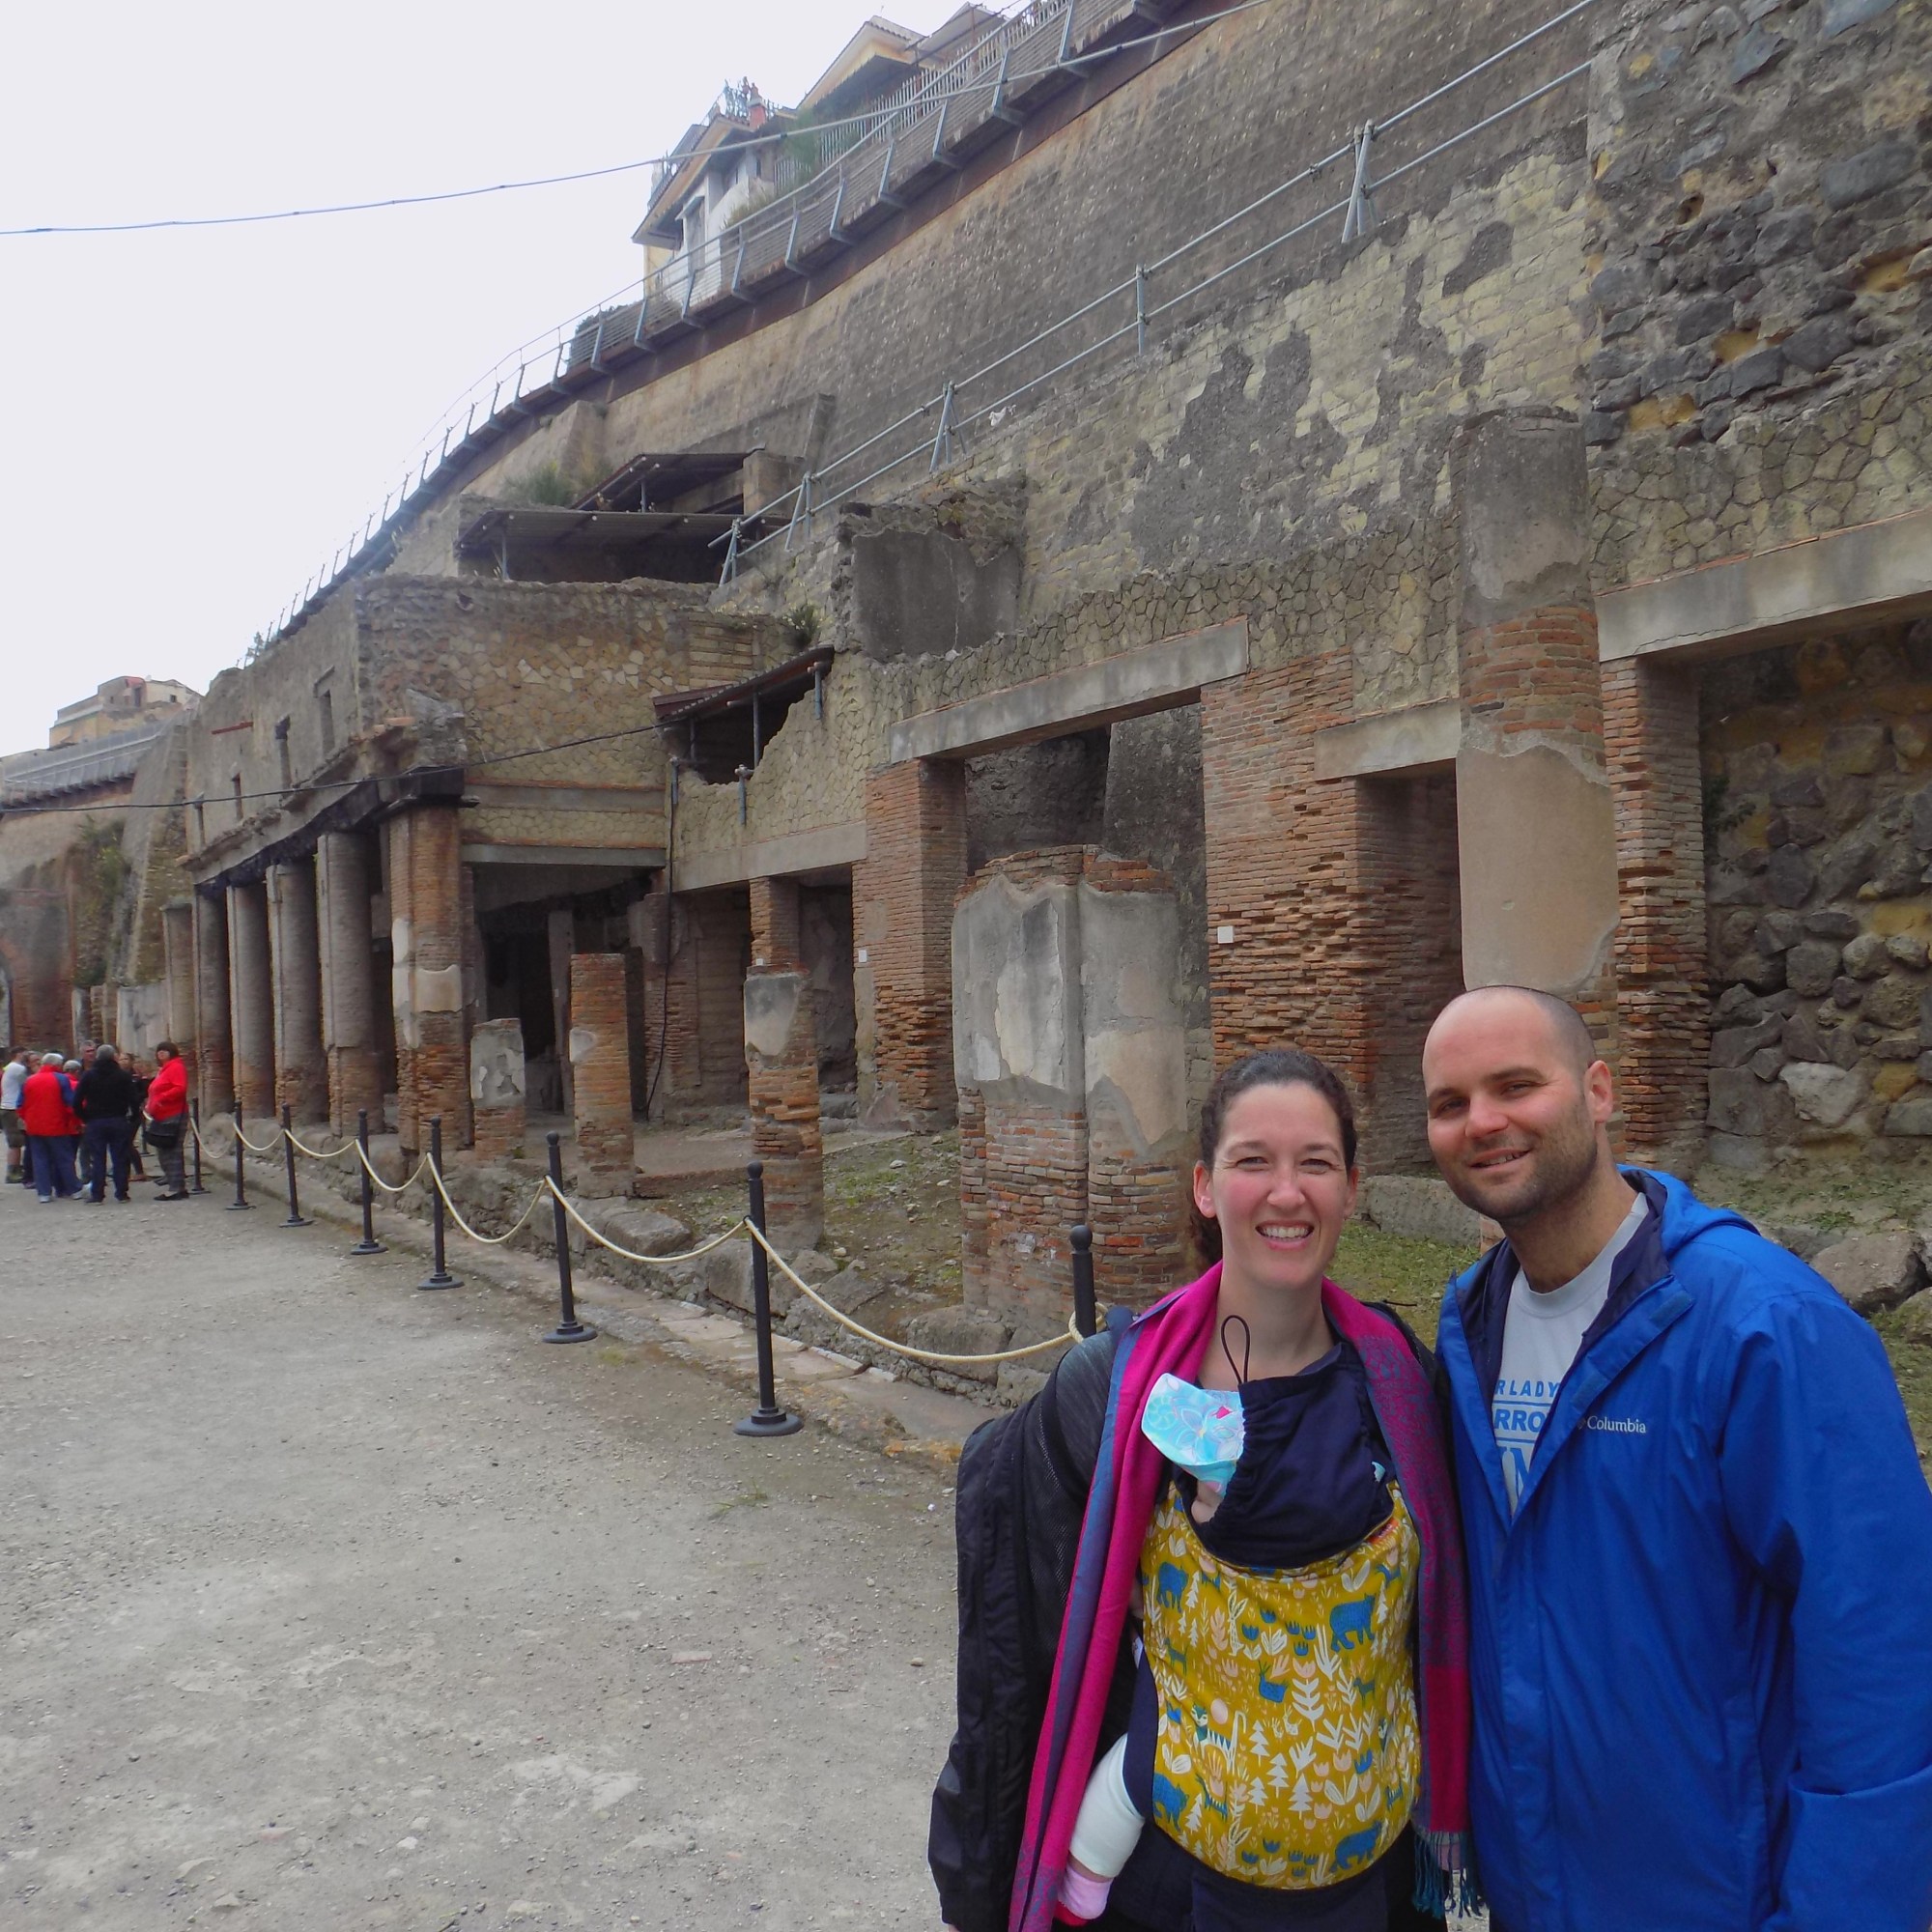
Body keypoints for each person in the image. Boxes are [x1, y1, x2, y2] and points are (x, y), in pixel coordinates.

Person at [1422, 984, 1932, 1932]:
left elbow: (1881, 1655)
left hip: (1721, 1893)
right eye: (1449, 1102)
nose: (1481, 1121)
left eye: (1514, 1085)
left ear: (1598, 1089)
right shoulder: (1467, 1330)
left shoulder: (1763, 1326)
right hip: (1537, 1889)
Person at [931, 1049, 1471, 1932]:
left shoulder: (1404, 1386)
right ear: (1204, 1187)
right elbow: (1015, 1631)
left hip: (1374, 1894)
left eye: (1316, 1163)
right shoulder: (1114, 1394)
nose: (1286, 1192)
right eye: (1253, 1161)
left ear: (1351, 1187)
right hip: (1171, 1897)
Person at [76, 1043, 138, 1204]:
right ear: (113, 1057)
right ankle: (122, 1193)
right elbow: (134, 1099)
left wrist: (84, 1117)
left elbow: (77, 1100)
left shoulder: (89, 1075)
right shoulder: (122, 1076)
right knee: (120, 1157)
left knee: (98, 1158)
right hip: (118, 1119)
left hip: (95, 1121)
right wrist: (133, 1116)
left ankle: (97, 1194)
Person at [18, 1052, 82, 1201]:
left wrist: (28, 1118)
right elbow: (69, 1104)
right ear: (57, 1065)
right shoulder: (61, 1079)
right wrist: (75, 1121)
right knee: (64, 1158)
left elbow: (20, 1105)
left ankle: (44, 1193)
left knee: (39, 1158)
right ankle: (73, 1189)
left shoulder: (29, 1081)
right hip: (57, 1124)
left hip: (34, 1126)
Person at [144, 1041, 190, 1200]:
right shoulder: (165, 1069)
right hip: (162, 1114)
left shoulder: (176, 1067)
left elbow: (180, 1088)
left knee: (172, 1152)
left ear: (172, 1052)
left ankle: (176, 1188)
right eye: (159, 1051)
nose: (161, 1054)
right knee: (164, 1150)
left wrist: (161, 1099)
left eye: (165, 1051)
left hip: (173, 1113)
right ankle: (173, 1182)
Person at [2, 1047, 27, 1184]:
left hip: (8, 1107)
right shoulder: (17, 1068)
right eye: (24, 1053)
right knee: (15, 1142)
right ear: (18, 1054)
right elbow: (29, 1082)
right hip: (11, 1108)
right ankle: (13, 1172)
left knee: (15, 1141)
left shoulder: (9, 1068)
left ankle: (15, 1169)